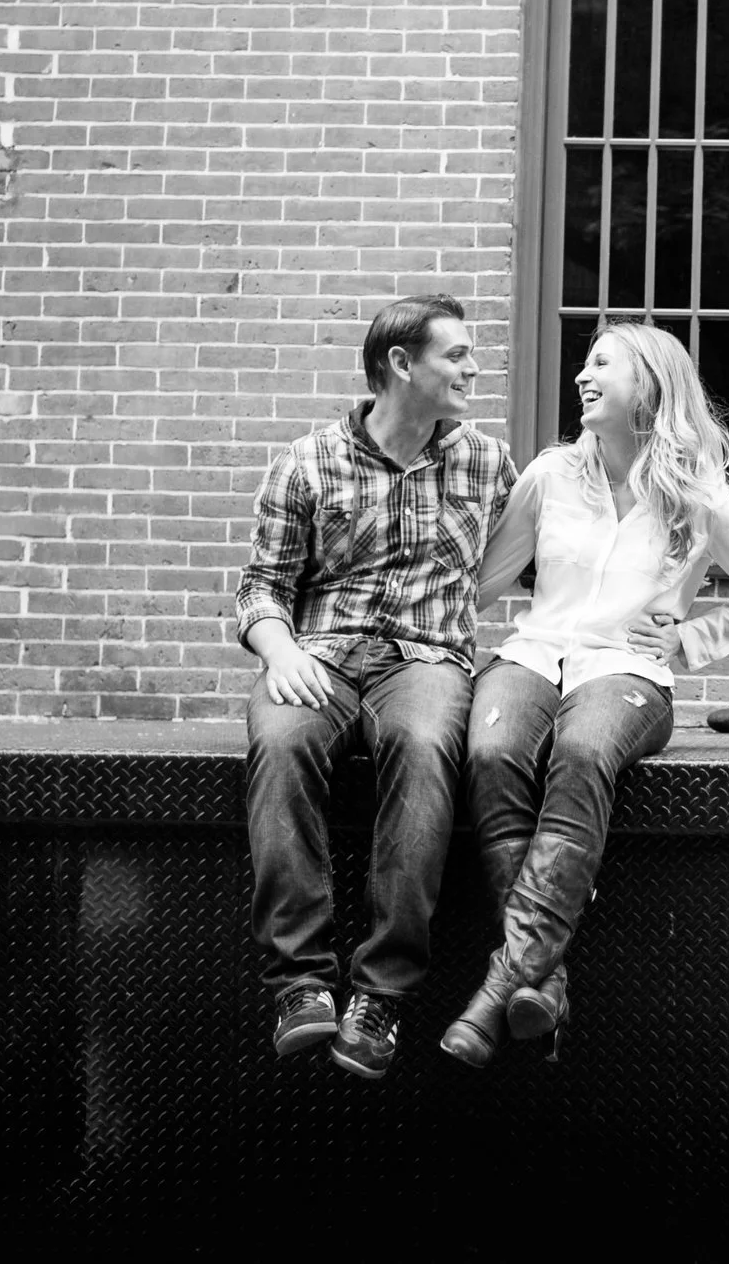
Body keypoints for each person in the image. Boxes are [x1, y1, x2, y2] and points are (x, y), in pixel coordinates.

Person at [440, 320, 729, 1065]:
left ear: (651, 384)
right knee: (495, 747)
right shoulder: (548, 476)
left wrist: (688, 641)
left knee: (581, 749)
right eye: (583, 364)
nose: (581, 376)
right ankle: (543, 976)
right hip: (535, 654)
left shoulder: (698, 497)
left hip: (627, 674)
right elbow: (482, 585)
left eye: (602, 363)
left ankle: (500, 983)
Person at [233, 293, 516, 1079]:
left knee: (425, 745)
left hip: (426, 660)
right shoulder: (308, 460)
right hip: (319, 654)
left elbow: (559, 556)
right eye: (456, 354)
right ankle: (300, 983)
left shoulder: (489, 463)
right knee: (283, 743)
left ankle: (382, 993)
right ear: (401, 364)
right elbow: (260, 585)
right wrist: (279, 650)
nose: (473, 367)